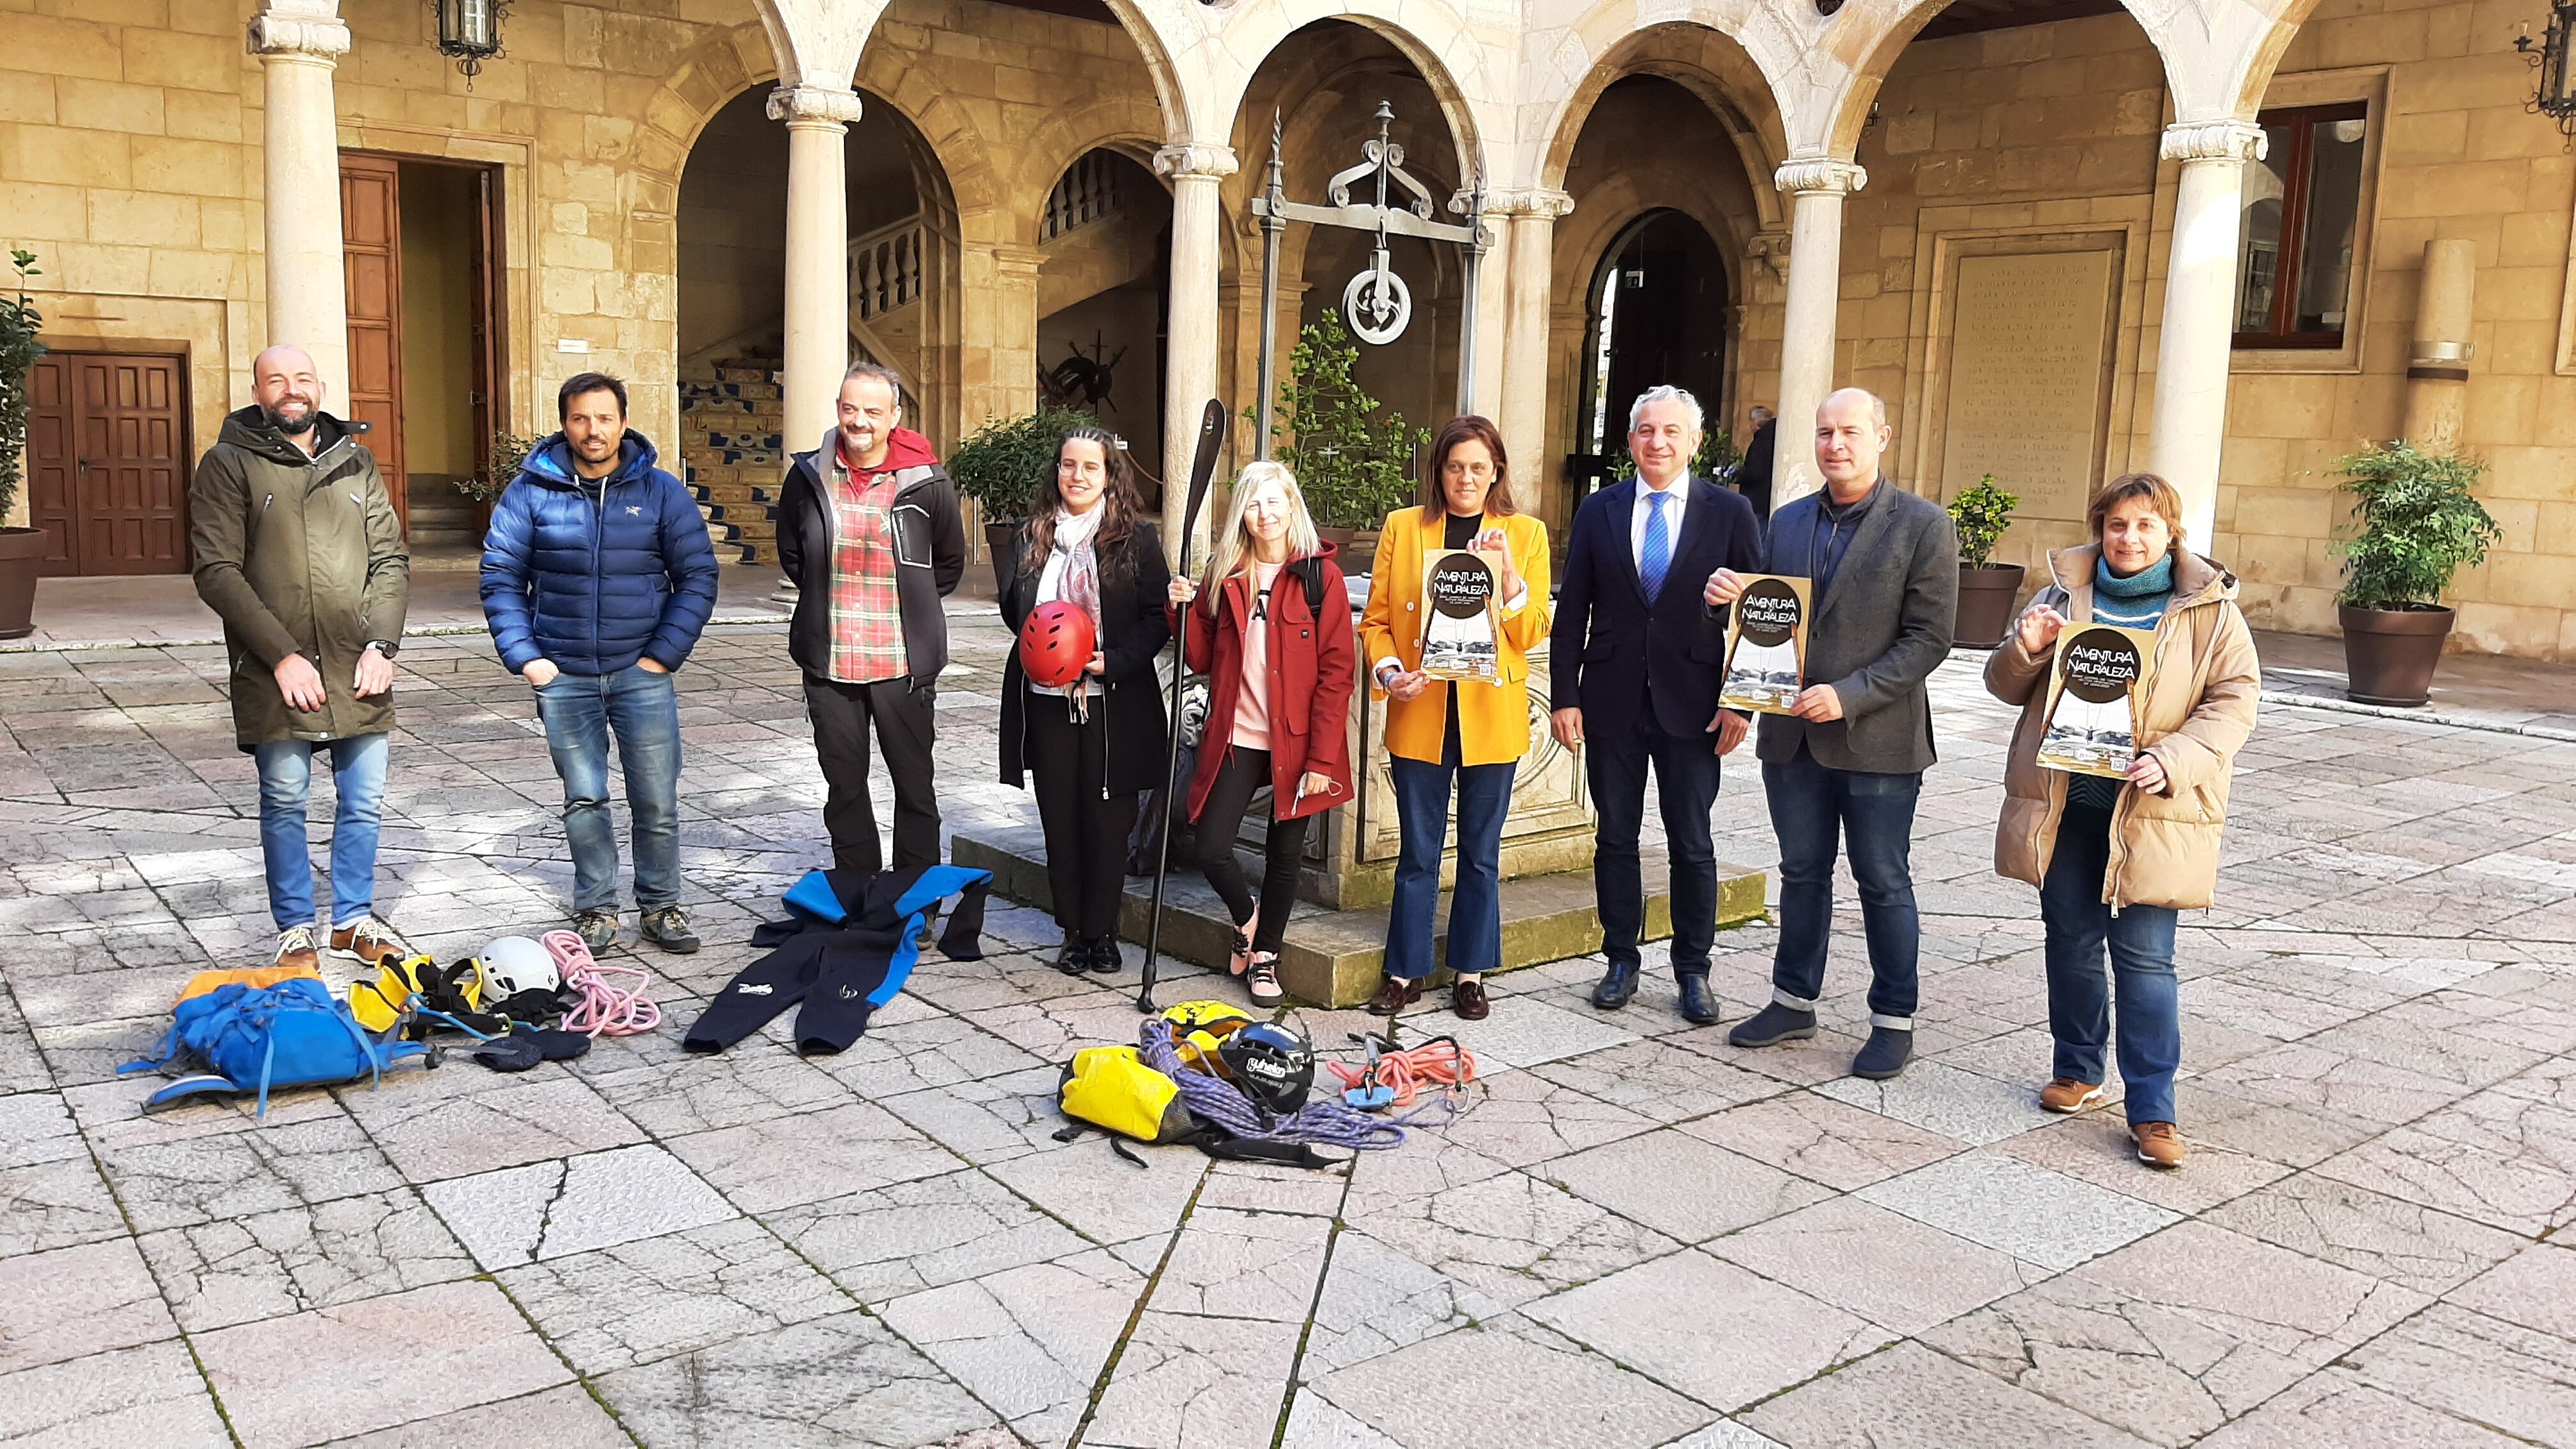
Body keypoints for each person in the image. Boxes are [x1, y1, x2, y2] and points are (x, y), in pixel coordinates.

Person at [1986, 473, 2258, 1169]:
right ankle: (2078, 1068)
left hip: (2151, 813)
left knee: (2145, 961)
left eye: (2145, 526)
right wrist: (2026, 647)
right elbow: (2004, 685)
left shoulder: (2208, 610)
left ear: (2171, 533)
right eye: (2116, 525)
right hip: (2067, 805)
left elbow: (2235, 701)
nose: (2129, 538)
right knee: (2070, 941)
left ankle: (2153, 1111)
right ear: (2099, 529)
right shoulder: (2061, 594)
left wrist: (2176, 758)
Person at [1706, 388, 1957, 1080]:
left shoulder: (1924, 526)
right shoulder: (1784, 524)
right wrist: (1721, 611)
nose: (1835, 445)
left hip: (1878, 740)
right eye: (1824, 433)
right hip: (1792, 742)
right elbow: (1767, 630)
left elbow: (1930, 638)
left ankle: (1893, 1019)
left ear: (1883, 436)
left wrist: (1848, 697)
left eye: (1849, 431)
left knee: (1882, 879)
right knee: (1803, 873)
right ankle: (1793, 999)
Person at [189, 344, 411, 983]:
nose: (292, 389)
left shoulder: (356, 462)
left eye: (303, 378)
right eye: (277, 380)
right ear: (258, 391)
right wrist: (282, 656)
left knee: (363, 802)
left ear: (320, 387)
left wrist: (382, 644)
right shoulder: (228, 463)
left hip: (357, 663)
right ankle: (294, 930)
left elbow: (389, 560)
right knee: (284, 800)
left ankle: (352, 921)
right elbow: (217, 571)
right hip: (273, 668)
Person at [480, 372, 721, 953]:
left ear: (623, 421)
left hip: (641, 674)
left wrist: (663, 657)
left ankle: (662, 906)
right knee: (584, 798)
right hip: (563, 675)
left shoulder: (661, 492)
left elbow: (698, 576)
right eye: (581, 419)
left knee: (656, 797)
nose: (593, 430)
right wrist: (528, 659)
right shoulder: (530, 493)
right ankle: (596, 909)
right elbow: (501, 576)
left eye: (605, 418)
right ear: (565, 423)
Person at [1551, 386, 1763, 1024]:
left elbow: (1763, 618)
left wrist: (1743, 705)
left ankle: (1694, 971)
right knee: (1614, 837)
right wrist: (1565, 697)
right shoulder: (1600, 510)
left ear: (1695, 442)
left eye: (1672, 431)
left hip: (1695, 704)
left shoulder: (1731, 514)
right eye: (1646, 430)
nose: (1658, 442)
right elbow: (1572, 614)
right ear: (1631, 439)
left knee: (1692, 842)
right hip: (1611, 697)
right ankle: (1620, 960)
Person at [1358, 416, 1552, 1020]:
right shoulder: (1403, 528)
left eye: (1477, 467)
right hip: (1422, 709)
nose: (1465, 478)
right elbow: (1377, 621)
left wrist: (1510, 580)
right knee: (1418, 851)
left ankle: (1470, 972)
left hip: (1490, 714)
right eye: (1454, 467)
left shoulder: (1526, 533)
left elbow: (1533, 630)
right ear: (1438, 472)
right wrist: (1391, 673)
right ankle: (1404, 970)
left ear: (1496, 471)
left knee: (1480, 851)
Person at [1167, 461, 1358, 1007]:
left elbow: (1336, 674)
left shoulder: (1321, 579)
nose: (1265, 513)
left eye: (1274, 501)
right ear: (1241, 514)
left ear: (1292, 505)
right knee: (1210, 845)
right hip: (1237, 734)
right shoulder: (1227, 575)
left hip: (1299, 744)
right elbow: (1199, 657)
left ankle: (1267, 957)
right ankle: (1248, 922)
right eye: (1253, 503)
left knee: (1286, 856)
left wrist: (1322, 760)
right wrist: (1181, 610)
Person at [776, 362, 967, 878]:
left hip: (901, 662)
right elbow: (793, 554)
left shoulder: (928, 482)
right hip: (830, 660)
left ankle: (913, 898)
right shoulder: (807, 475)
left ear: (895, 417)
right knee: (844, 786)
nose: (859, 420)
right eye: (850, 408)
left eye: (872, 411)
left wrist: (913, 608)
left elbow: (948, 564)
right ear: (839, 409)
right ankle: (858, 889)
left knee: (914, 786)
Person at [998, 427, 1171, 973]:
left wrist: (1111, 659)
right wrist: (1048, 648)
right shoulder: (1032, 535)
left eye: (1090, 468)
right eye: (1068, 466)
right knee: (1061, 819)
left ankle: (1104, 932)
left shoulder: (1136, 540)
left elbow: (1155, 619)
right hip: (1046, 700)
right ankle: (1073, 931)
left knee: (1106, 821)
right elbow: (1014, 608)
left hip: (1110, 703)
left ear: (1108, 475)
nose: (1077, 477)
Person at [1735, 404, 1777, 520]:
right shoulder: (1775, 437)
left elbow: (1754, 472)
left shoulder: (1761, 442)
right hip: (1767, 501)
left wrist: (1739, 475)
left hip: (1757, 501)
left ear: (1755, 422)